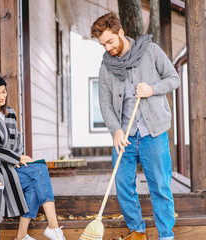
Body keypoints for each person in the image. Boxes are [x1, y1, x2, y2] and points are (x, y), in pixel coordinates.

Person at [90, 12, 180, 240]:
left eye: (110, 41)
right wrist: (116, 130)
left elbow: (173, 78)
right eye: (102, 44)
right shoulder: (106, 66)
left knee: (160, 187)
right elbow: (105, 103)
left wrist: (152, 89)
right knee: (123, 186)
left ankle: (166, 235)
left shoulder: (150, 51)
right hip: (125, 136)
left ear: (121, 32)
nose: (107, 48)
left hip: (154, 133)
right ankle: (138, 231)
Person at [0, 67, 66, 240]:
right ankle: (53, 227)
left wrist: (17, 158)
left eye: (3, 92)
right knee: (38, 172)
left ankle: (23, 236)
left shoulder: (10, 112)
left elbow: (17, 141)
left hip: (14, 166)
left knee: (36, 177)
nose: (2, 97)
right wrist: (16, 158)